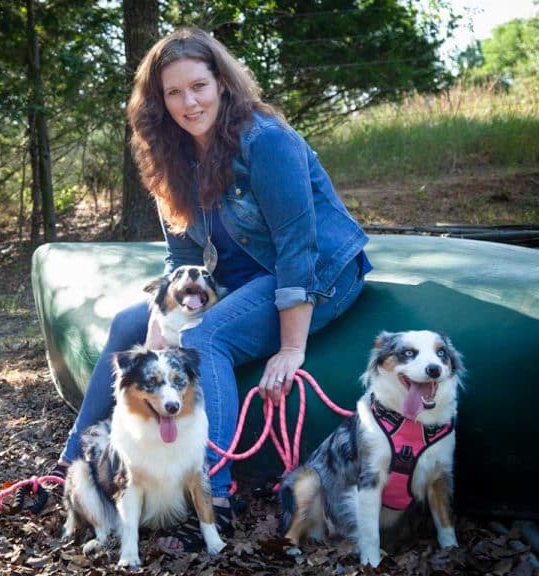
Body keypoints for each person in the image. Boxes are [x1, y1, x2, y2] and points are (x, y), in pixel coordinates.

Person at [51, 27, 372, 551]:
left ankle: (213, 497)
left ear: (221, 82)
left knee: (207, 337)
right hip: (246, 277)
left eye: (198, 85)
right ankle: (72, 467)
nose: (188, 102)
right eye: (173, 93)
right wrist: (160, 319)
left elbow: (297, 248)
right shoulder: (170, 154)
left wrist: (293, 347)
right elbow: (180, 259)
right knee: (129, 323)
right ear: (159, 102)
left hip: (322, 274)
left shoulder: (266, 141)